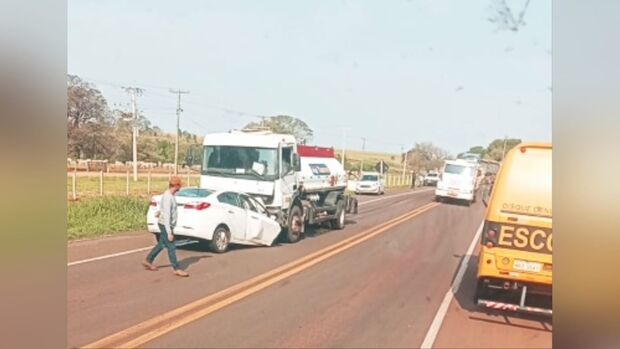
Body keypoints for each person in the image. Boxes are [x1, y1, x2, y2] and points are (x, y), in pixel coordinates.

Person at [142, 176, 189, 277]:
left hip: (164, 222)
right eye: (179, 185)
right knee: (171, 247)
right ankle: (176, 268)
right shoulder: (168, 197)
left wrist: (159, 212)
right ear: (175, 186)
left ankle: (148, 260)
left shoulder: (167, 194)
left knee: (161, 245)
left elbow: (164, 209)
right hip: (165, 224)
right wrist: (169, 232)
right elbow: (167, 215)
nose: (180, 187)